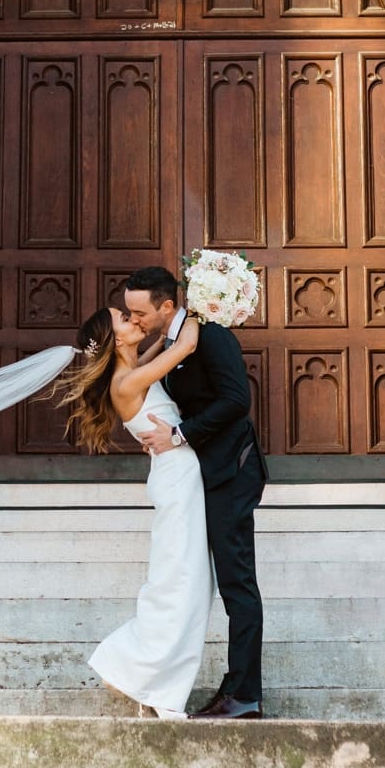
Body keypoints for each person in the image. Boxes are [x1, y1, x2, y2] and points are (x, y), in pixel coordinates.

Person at [125, 265, 267, 720]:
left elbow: (236, 401)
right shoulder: (173, 340)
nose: (135, 321)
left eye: (139, 312)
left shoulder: (211, 335)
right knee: (220, 581)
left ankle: (244, 693)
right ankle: (235, 687)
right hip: (203, 476)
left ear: (167, 305)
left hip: (232, 472)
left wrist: (179, 435)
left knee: (237, 582)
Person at [57, 306, 206, 718]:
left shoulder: (132, 368)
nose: (133, 319)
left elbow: (163, 345)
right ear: (116, 339)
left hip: (181, 476)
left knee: (188, 583)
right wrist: (202, 304)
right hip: (177, 483)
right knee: (179, 583)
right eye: (124, 318)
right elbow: (187, 343)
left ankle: (148, 675)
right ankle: (132, 667)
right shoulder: (126, 382)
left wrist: (163, 329)